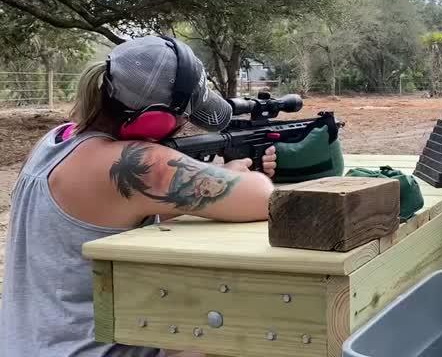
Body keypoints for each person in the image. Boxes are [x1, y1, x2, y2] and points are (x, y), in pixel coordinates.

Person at [0, 36, 277, 357]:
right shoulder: (137, 164)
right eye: (184, 117)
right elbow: (261, 197)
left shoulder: (53, 141)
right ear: (153, 119)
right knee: (236, 331)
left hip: (24, 346)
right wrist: (236, 173)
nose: (184, 125)